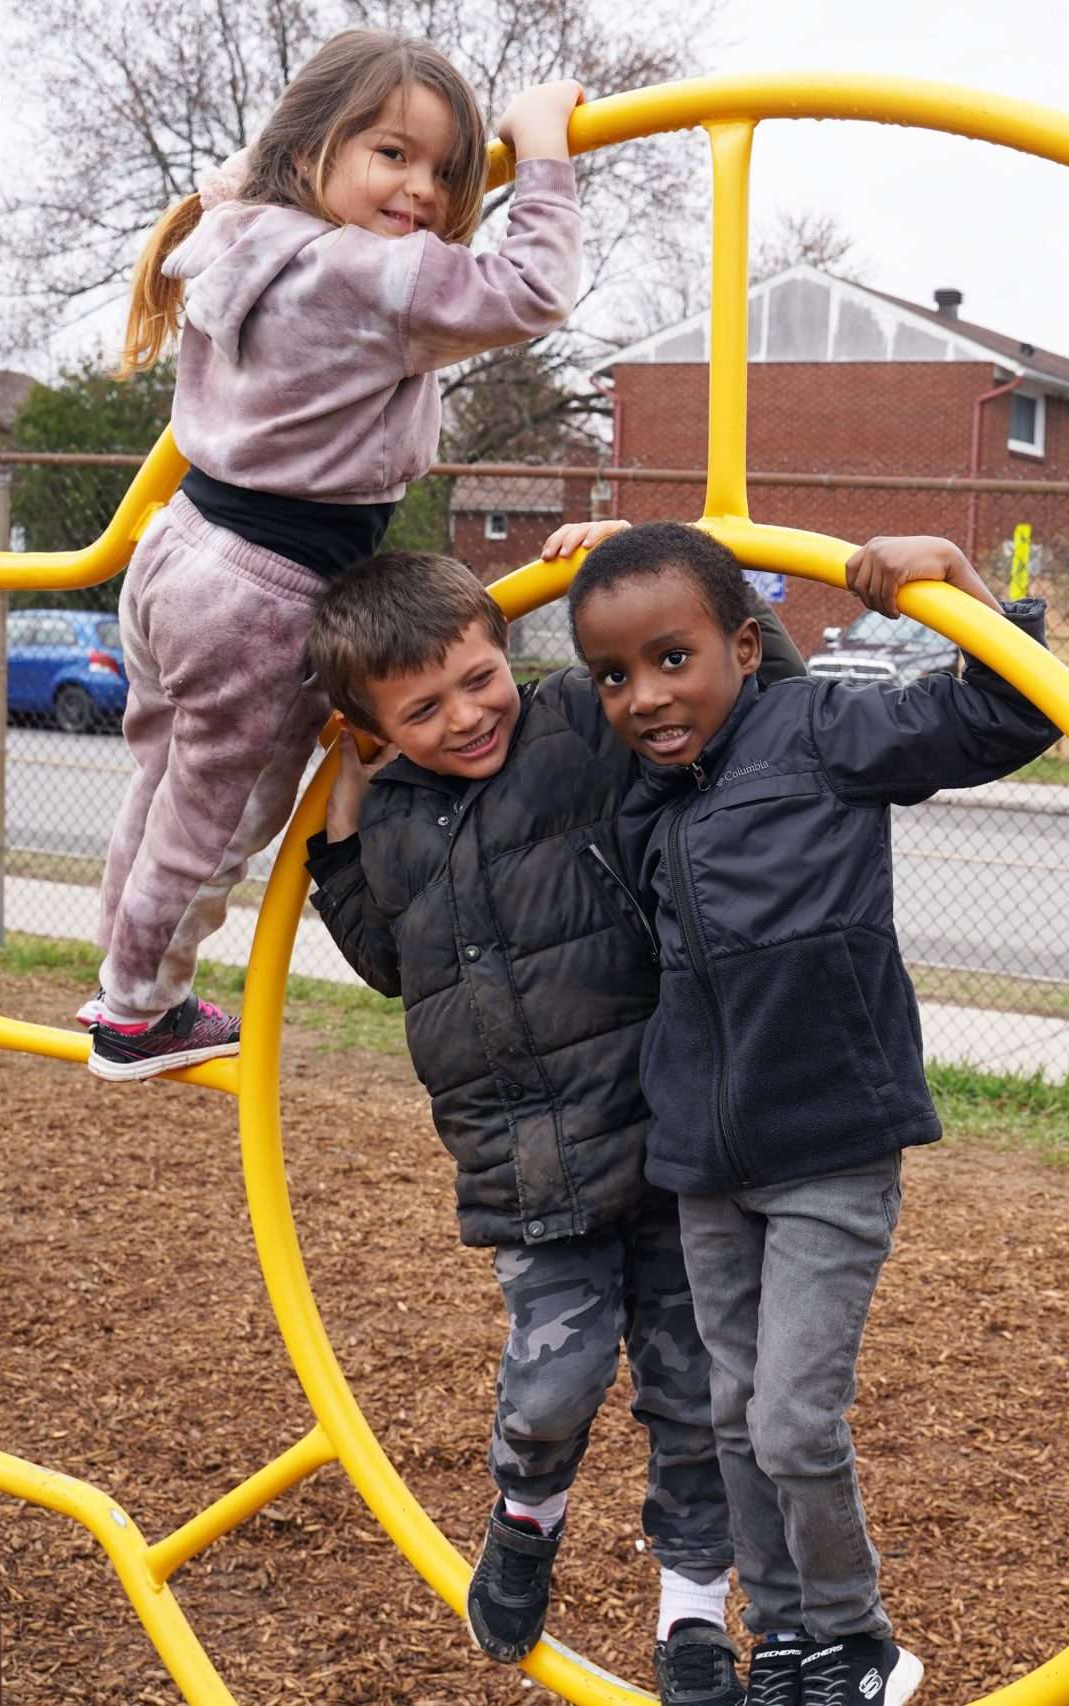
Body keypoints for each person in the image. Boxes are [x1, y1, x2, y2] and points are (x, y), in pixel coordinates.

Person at [303, 524, 802, 1706]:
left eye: (480, 677)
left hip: (670, 1145)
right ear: (378, 734)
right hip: (527, 1170)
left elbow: (755, 688)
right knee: (551, 1384)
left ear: (506, 648)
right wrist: (336, 834)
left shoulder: (581, 724)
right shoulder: (390, 817)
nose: (469, 716)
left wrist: (624, 552)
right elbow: (387, 961)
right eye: (423, 711)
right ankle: (528, 1513)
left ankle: (693, 1614)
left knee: (697, 1400)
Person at [569, 523, 1060, 1706]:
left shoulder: (824, 730)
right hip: (704, 1154)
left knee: (790, 1415)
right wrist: (615, 546)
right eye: (615, 674)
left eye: (674, 657)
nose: (646, 695)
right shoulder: (643, 796)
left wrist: (961, 585)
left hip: (831, 1138)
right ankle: (785, 1630)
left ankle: (856, 1634)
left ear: (745, 644)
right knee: (732, 1414)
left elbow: (1007, 711)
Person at [87, 25, 584, 1080]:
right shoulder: (368, 278)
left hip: (180, 548)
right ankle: (139, 1009)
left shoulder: (243, 226)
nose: (419, 191)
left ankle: (122, 982)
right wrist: (538, 152)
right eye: (391, 154)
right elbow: (535, 289)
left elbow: (244, 170)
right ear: (313, 150)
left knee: (162, 781)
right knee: (219, 814)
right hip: (260, 588)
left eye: (445, 170)